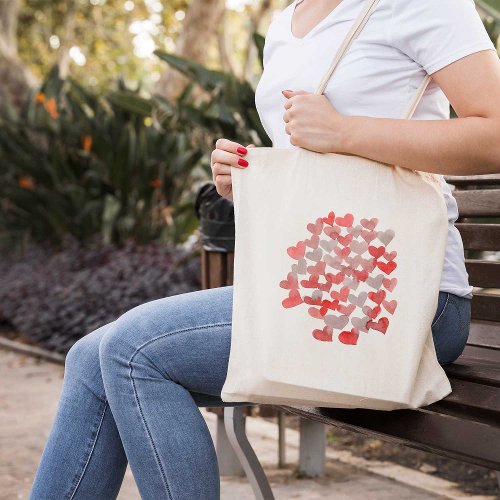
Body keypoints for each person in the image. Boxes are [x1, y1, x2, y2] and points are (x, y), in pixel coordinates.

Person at [29, 0, 500, 498]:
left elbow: (494, 133)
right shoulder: (287, 21)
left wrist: (346, 131)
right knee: (89, 357)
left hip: (407, 300)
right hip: (318, 282)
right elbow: (318, 164)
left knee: (135, 349)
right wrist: (247, 177)